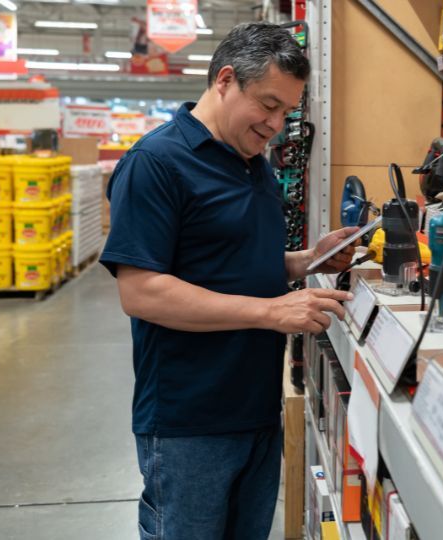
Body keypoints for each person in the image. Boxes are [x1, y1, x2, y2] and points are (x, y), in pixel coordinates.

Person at [99, 22, 357, 540]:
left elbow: (230, 259)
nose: (276, 125)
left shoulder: (251, 162)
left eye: (287, 112)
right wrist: (272, 312)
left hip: (255, 409)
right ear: (225, 80)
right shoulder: (156, 163)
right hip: (190, 421)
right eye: (268, 105)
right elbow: (141, 291)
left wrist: (307, 261)